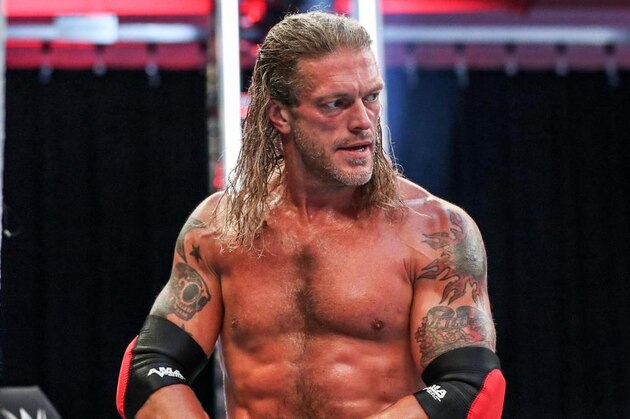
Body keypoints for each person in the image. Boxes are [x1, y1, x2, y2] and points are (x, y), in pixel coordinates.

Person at [116, 11, 505, 419]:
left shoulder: (433, 230)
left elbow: (471, 388)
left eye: (371, 97)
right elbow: (148, 369)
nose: (363, 122)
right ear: (280, 115)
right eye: (336, 104)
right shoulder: (221, 227)